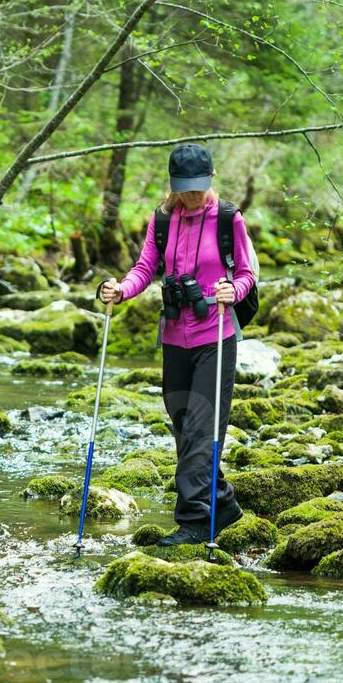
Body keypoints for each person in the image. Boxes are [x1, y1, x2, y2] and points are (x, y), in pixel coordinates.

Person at [100, 143, 255, 547]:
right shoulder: (163, 219)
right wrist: (120, 290)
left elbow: (246, 273)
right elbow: (145, 267)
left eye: (199, 187)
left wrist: (231, 292)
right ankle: (223, 505)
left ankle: (194, 522)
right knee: (185, 428)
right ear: (172, 185)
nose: (193, 195)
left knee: (202, 431)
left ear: (211, 180)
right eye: (185, 188)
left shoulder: (227, 218)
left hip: (215, 336)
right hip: (174, 337)